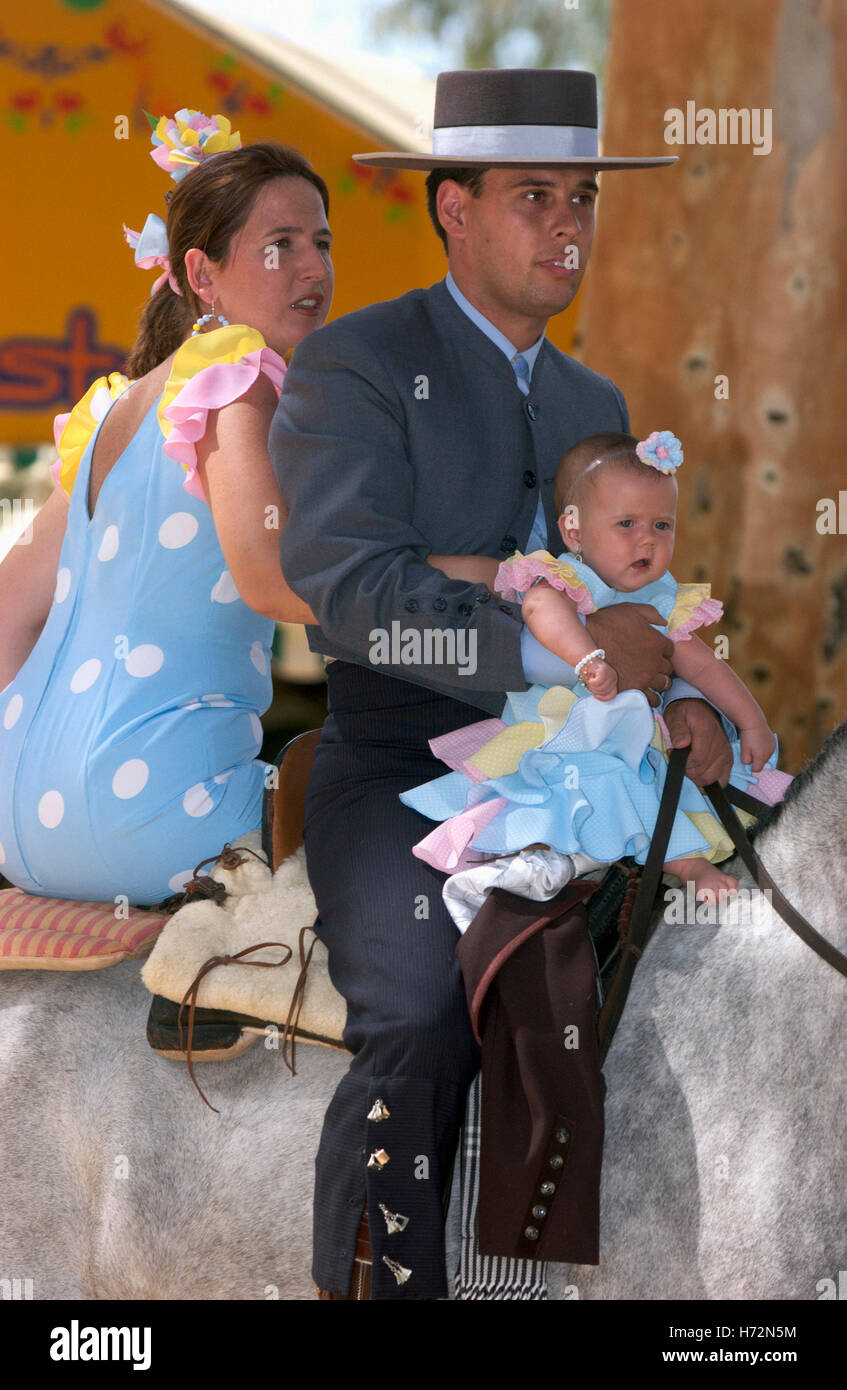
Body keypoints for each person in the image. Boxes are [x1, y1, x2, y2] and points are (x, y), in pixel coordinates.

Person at [270, 68, 735, 1301]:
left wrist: (675, 700)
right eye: (534, 196)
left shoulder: (595, 400)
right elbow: (350, 594)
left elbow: (630, 595)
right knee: (421, 1012)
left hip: (595, 763)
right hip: (404, 770)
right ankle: (378, 1282)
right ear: (451, 209)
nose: (568, 224)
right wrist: (554, 654)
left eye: (580, 196)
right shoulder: (353, 366)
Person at [0, 114, 334, 904]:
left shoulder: (110, 409)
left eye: (322, 242)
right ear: (201, 273)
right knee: (408, 820)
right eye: (279, 244)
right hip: (155, 820)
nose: (311, 265)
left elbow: (8, 607)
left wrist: (39, 752)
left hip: (17, 815)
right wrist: (455, 602)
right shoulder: (238, 374)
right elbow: (269, 576)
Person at [401, 430, 791, 902]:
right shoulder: (564, 577)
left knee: (654, 787)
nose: (646, 539)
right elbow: (539, 610)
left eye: (662, 526)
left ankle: (685, 867)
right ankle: (539, 863)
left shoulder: (661, 600)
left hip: (628, 746)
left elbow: (704, 668)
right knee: (581, 790)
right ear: (573, 531)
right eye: (626, 523)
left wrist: (751, 721)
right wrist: (587, 659)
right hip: (559, 739)